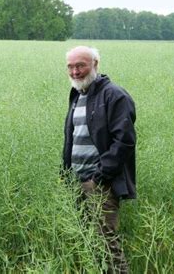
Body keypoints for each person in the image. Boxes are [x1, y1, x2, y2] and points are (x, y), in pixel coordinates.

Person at [62, 46, 136, 273]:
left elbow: (124, 141)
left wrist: (100, 176)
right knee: (87, 244)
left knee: (108, 247)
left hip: (100, 185)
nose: (75, 72)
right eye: (71, 67)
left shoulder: (114, 95)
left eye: (81, 65)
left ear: (95, 64)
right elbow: (73, 138)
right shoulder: (78, 94)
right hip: (77, 182)